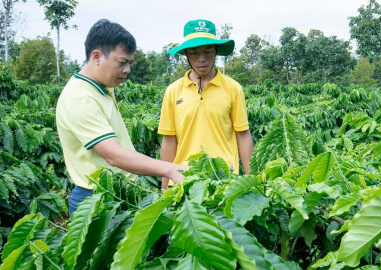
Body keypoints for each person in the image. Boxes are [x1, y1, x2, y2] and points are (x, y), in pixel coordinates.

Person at [56, 19, 188, 217]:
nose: (128, 70)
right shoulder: (80, 98)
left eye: (129, 63)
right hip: (97, 200)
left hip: (117, 194)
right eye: (122, 62)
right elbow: (113, 155)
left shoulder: (100, 87)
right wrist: (169, 169)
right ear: (97, 56)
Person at [158, 19, 254, 189]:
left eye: (208, 51)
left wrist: (252, 180)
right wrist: (165, 186)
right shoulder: (173, 91)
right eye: (194, 52)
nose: (201, 59)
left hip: (223, 179)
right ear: (186, 54)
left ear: (216, 51)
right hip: (182, 179)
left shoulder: (233, 89)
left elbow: (243, 135)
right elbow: (169, 139)